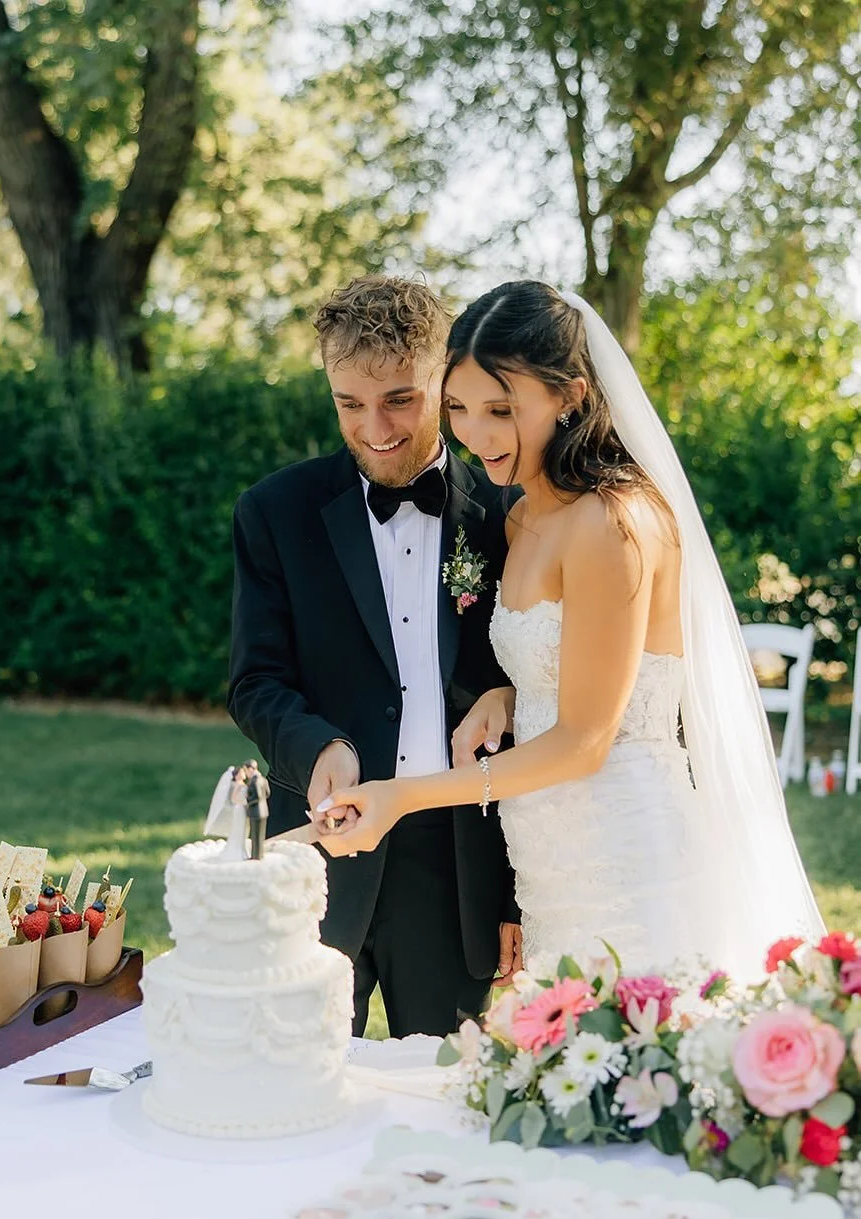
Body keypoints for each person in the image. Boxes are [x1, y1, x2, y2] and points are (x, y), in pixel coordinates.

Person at [314, 280, 823, 982]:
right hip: (550, 863)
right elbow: (573, 671)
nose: (475, 433)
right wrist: (509, 697)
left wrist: (402, 794)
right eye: (457, 407)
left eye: (502, 409)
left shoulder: (614, 521)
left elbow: (585, 742)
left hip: (629, 853)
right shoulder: (522, 516)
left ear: (570, 394)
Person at [228, 275, 521, 1036]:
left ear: (445, 379)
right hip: (318, 855)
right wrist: (316, 744)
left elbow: (539, 687)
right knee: (298, 1087)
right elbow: (256, 681)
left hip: (456, 864)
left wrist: (515, 898)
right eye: (347, 403)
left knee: (445, 1099)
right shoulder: (274, 513)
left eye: (399, 399)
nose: (374, 427)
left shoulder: (507, 511)